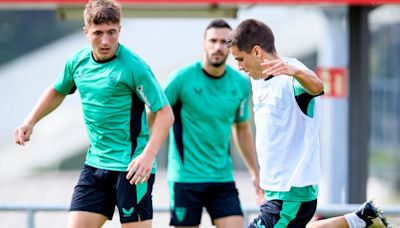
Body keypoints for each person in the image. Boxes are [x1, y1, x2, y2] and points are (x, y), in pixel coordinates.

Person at [13, 0, 174, 227]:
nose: (106, 40)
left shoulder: (135, 67)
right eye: (98, 33)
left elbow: (165, 114)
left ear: (120, 30)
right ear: (86, 31)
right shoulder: (77, 62)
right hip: (95, 166)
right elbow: (57, 90)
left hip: (132, 169)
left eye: (112, 32)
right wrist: (30, 122)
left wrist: (148, 156)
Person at [226, 18, 390, 228]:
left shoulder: (291, 78)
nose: (239, 67)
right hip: (276, 190)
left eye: (240, 59)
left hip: (291, 191)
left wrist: (294, 71)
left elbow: (317, 87)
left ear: (257, 52)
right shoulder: (258, 79)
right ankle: (359, 219)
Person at [163, 19, 262, 228]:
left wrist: (255, 173)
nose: (217, 47)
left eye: (224, 42)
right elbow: (153, 114)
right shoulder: (181, 78)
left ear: (231, 47)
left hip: (222, 177)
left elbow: (242, 129)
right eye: (212, 41)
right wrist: (144, 155)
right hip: (185, 178)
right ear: (203, 44)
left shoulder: (241, 84)